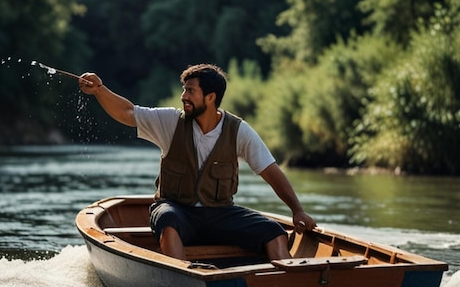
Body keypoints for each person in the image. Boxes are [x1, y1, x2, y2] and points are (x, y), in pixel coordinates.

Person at [78, 64, 316, 262]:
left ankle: (284, 285)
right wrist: (100, 90)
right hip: (177, 210)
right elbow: (128, 113)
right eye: (184, 90)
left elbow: (270, 171)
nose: (184, 96)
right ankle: (184, 277)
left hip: (221, 214)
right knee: (167, 218)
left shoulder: (239, 131)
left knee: (274, 231)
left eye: (190, 91)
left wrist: (297, 210)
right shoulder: (170, 122)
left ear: (210, 97)